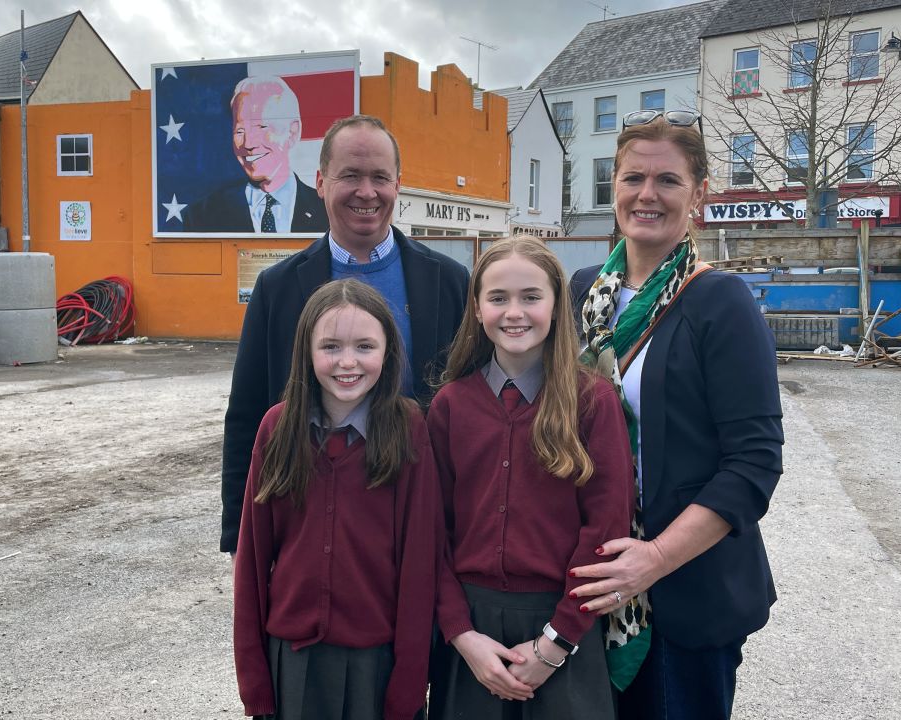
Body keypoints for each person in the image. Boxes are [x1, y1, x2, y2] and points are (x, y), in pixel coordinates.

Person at [566, 110, 784, 719]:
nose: (647, 195)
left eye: (668, 180)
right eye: (633, 178)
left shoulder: (721, 302)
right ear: (614, 188)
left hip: (685, 591)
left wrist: (655, 559)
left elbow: (754, 465)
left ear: (699, 192)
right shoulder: (584, 293)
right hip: (592, 581)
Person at [219, 114, 470, 554]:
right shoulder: (277, 288)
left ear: (398, 184)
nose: (367, 192)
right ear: (320, 181)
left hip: (420, 518)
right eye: (350, 175)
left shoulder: (449, 282)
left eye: (380, 177)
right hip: (310, 518)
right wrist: (239, 535)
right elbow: (247, 415)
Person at [427, 236, 634, 720]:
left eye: (531, 297)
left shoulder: (592, 401)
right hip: (471, 638)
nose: (514, 311)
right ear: (477, 309)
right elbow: (431, 532)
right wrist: (460, 632)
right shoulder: (450, 406)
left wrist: (554, 645)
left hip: (564, 626)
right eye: (498, 298)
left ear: (557, 306)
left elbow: (605, 532)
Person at [232, 279, 440, 720]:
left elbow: (420, 564)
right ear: (307, 352)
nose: (348, 362)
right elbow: (251, 560)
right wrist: (254, 681)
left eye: (365, 346)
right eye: (330, 346)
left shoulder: (407, 428)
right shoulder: (277, 428)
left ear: (388, 351)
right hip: (293, 659)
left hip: (376, 663)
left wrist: (409, 680)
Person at [183, 76, 328, 233]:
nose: (248, 144)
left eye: (261, 127)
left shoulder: (329, 212)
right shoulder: (203, 215)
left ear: (292, 132)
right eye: (240, 131)